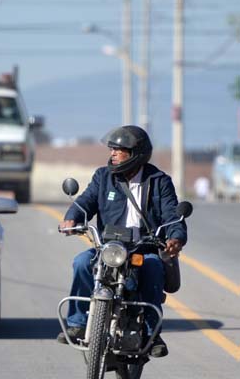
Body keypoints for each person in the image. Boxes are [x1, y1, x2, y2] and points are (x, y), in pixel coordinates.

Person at [58, 125, 187, 358]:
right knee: (81, 263)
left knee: (153, 267)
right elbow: (85, 202)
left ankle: (151, 333)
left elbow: (171, 215)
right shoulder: (103, 177)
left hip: (142, 249)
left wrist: (175, 237)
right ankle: (76, 323)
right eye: (112, 149)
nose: (113, 154)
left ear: (136, 153)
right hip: (109, 248)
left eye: (119, 150)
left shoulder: (159, 181)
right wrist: (71, 219)